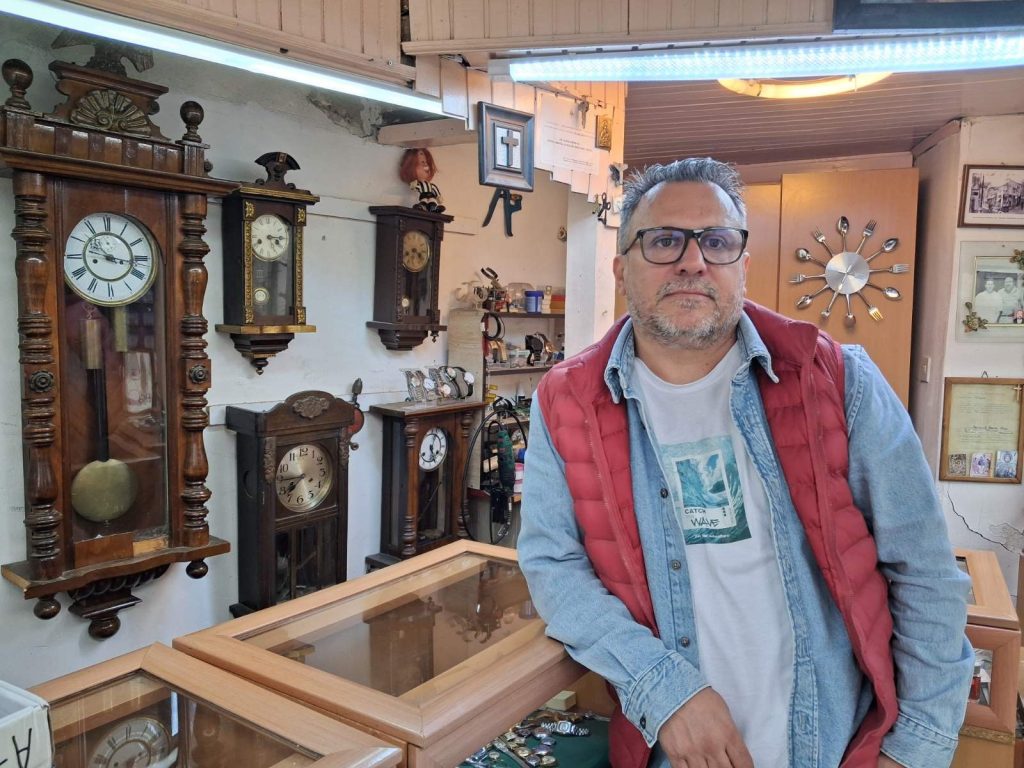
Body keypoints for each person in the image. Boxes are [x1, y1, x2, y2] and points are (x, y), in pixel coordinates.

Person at [518, 157, 973, 768]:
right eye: (663, 240)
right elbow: (553, 565)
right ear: (621, 267)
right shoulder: (566, 400)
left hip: (834, 745)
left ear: (743, 265)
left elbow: (925, 573)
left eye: (717, 241)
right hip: (670, 751)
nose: (692, 261)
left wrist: (914, 747)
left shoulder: (837, 381)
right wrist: (662, 688)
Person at [399, 147, 445, 213]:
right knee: (424, 202)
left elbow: (435, 189)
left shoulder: (431, 185)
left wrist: (438, 197)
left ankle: (434, 208)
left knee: (432, 202)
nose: (426, 166)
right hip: (423, 197)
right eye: (422, 162)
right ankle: (422, 207)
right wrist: (413, 185)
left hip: (432, 197)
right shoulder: (420, 185)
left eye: (427, 162)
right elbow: (416, 187)